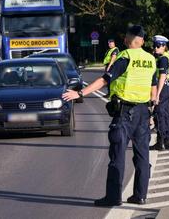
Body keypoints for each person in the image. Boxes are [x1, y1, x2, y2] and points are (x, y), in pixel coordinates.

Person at [63, 25, 157, 206]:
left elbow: (104, 80)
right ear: (143, 41)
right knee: (143, 156)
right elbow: (153, 89)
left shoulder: (125, 56)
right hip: (143, 113)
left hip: (125, 114)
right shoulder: (150, 59)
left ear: (128, 40)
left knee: (117, 155)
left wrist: (80, 93)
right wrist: (151, 112)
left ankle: (113, 197)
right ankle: (140, 195)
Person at [150, 35, 169, 151]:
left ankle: (161, 142)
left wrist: (157, 95)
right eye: (154, 46)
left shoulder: (163, 59)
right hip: (167, 88)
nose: (155, 48)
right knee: (165, 114)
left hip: (162, 89)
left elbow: (162, 77)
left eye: (158, 46)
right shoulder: (163, 57)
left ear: (164, 46)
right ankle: (168, 140)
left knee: (159, 115)